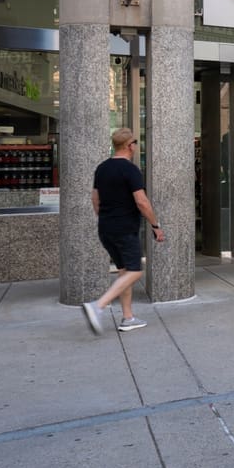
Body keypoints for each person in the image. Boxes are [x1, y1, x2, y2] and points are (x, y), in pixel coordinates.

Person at [82, 128, 165, 335]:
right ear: (130, 146)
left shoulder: (102, 168)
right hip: (125, 229)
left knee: (124, 271)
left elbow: (95, 199)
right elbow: (142, 202)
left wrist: (106, 219)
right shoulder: (130, 170)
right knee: (135, 271)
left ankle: (128, 318)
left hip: (106, 228)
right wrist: (155, 226)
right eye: (135, 142)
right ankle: (98, 306)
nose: (136, 146)